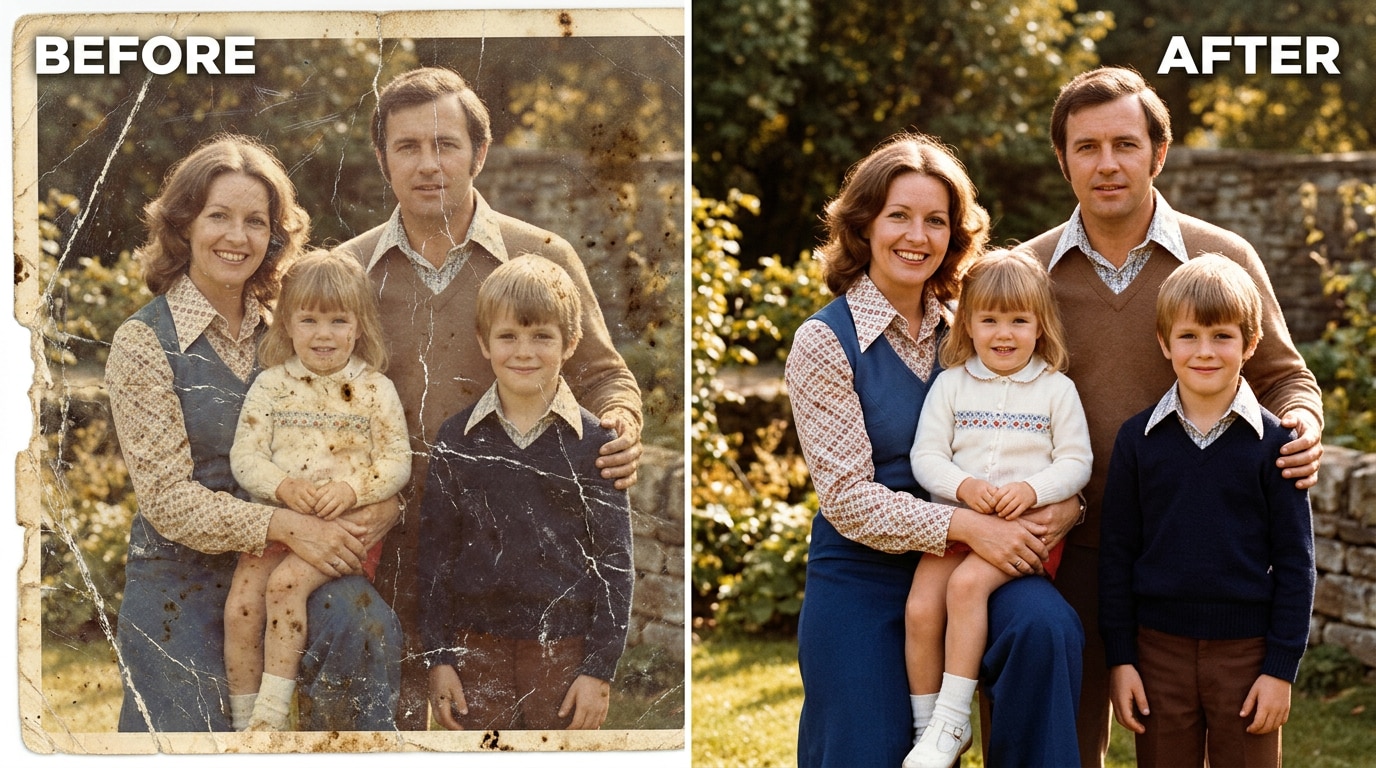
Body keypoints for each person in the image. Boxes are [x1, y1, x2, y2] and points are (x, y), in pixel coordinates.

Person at [1017, 66, 1324, 766]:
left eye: (1125, 144)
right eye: (1086, 147)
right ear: (1062, 159)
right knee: (1048, 745)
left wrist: (1301, 423)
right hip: (1052, 553)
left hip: (1181, 560)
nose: (1107, 164)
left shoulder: (1224, 260)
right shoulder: (1025, 274)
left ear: (1158, 153)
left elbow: (1284, 376)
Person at [334, 66, 644, 729]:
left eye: (445, 145)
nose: (428, 165)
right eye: (406, 146)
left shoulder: (541, 257)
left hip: (497, 561)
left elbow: (604, 374)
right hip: (376, 546)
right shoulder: (347, 270)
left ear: (479, 152)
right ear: (382, 157)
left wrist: (620, 424)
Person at [786, 132, 1085, 768]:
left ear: (955, 234)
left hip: (983, 555)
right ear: (864, 224)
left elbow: (1041, 431)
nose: (916, 236)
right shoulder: (823, 342)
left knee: (1045, 630)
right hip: (864, 569)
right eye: (899, 215)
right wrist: (965, 524)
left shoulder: (974, 325)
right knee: (868, 751)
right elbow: (847, 499)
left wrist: (1067, 507)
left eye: (936, 220)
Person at [105, 134, 402, 732]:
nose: (237, 238)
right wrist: (284, 523)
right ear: (184, 224)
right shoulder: (142, 343)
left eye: (255, 221)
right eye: (219, 217)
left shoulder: (293, 331)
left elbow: (365, 438)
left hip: (293, 558)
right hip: (181, 576)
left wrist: (384, 504)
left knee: (367, 630)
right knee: (190, 731)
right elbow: (168, 502)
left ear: (274, 235)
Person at [1099, 254, 1315, 767]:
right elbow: (1116, 556)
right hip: (1157, 654)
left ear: (1250, 344)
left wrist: (1280, 668)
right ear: (1164, 343)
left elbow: (1295, 563)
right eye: (1189, 336)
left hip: (1247, 655)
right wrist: (1122, 659)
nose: (1205, 352)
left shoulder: (1275, 444)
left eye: (1222, 336)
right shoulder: (1137, 440)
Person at [418, 253, 633, 731]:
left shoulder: (596, 445)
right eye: (508, 336)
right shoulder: (457, 439)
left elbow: (616, 564)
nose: (524, 351)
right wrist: (439, 658)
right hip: (475, 650)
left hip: (563, 652)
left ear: (571, 342)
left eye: (542, 336)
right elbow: (434, 557)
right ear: (484, 342)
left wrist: (598, 669)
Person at [904, 249, 1092, 768]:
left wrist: (1033, 490)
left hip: (1022, 533)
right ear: (967, 323)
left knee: (966, 589)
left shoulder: (1055, 390)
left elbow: (1077, 461)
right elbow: (927, 456)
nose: (1003, 334)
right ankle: (930, 729)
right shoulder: (952, 384)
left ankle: (953, 715)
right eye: (988, 320)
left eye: (1018, 321)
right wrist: (963, 488)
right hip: (956, 526)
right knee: (921, 608)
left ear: (1040, 325)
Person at [223, 251, 411, 731]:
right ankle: (247, 722)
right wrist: (282, 485)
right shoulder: (270, 386)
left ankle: (271, 717)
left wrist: (352, 488)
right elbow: (246, 457)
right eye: (308, 320)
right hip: (278, 519)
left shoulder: (374, 389)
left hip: (343, 529)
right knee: (242, 602)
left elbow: (395, 462)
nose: (323, 334)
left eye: (337, 321)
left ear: (358, 326)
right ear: (286, 324)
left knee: (286, 585)